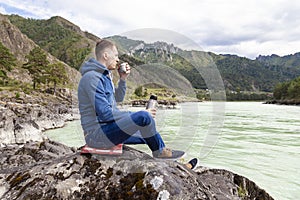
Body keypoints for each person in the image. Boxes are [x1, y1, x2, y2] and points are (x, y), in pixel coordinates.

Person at [77, 39, 189, 160]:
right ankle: (160, 152)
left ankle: (173, 161)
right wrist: (140, 114)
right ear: (105, 55)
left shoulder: (104, 76)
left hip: (108, 128)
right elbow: (105, 113)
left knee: (149, 134)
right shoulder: (92, 78)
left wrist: (123, 79)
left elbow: (118, 98)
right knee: (144, 117)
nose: (117, 59)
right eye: (115, 55)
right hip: (97, 135)